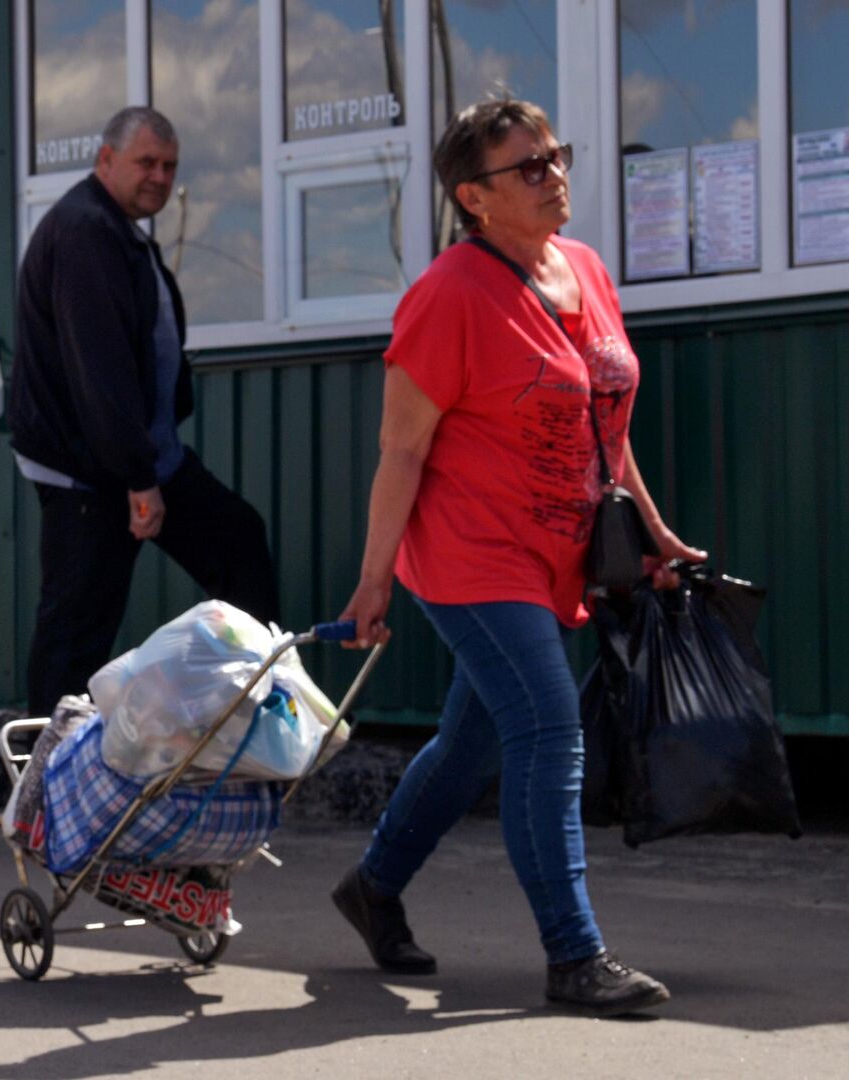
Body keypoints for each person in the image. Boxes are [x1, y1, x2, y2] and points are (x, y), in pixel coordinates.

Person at [330, 99, 704, 1016]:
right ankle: (574, 956)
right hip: (471, 557)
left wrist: (648, 535)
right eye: (527, 167)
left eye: (555, 157)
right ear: (473, 197)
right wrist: (375, 581)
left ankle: (373, 886)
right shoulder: (451, 295)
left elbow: (604, 430)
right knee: (546, 728)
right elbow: (403, 450)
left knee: (473, 741)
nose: (554, 175)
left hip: (556, 555)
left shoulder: (584, 269)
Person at [9, 106, 279, 716]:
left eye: (171, 165)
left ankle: (248, 712)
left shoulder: (117, 230)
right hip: (93, 469)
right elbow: (99, 368)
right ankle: (44, 783)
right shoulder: (86, 233)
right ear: (106, 160)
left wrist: (143, 466)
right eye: (146, 162)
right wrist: (138, 479)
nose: (160, 176)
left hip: (138, 457)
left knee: (238, 541)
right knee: (76, 625)